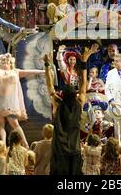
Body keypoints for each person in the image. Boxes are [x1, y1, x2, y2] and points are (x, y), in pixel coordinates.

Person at [44, 44, 98, 175]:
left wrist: (46, 66)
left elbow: (50, 87)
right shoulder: (79, 103)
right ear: (76, 95)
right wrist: (84, 62)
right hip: (74, 149)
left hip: (59, 150)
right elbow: (84, 85)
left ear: (61, 95)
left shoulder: (57, 105)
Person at [0, 44, 44, 148]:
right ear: (0, 62)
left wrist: (44, 71)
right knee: (0, 126)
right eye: (4, 61)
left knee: (15, 124)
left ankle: (26, 145)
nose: (6, 62)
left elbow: (31, 72)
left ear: (11, 63)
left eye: (8, 61)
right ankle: (2, 148)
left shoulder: (15, 71)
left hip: (10, 103)